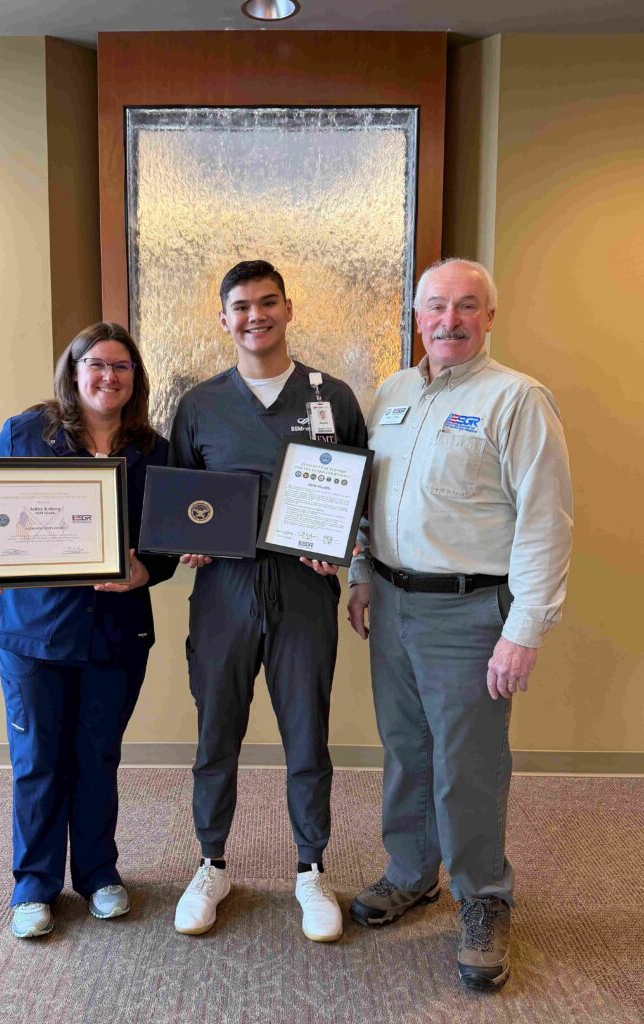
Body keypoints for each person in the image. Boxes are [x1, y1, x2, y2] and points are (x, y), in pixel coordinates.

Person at [347, 258, 572, 991]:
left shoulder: (517, 400)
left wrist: (524, 630)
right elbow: (367, 501)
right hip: (392, 601)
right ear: (418, 318)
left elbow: (545, 523)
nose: (450, 320)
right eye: (437, 306)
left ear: (489, 318)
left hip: (472, 612)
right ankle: (412, 874)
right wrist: (359, 575)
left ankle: (483, 896)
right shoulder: (392, 394)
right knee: (406, 751)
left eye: (468, 306)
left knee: (468, 765)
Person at [0, 322, 176, 939]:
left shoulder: (154, 450)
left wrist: (143, 572)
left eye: (122, 367)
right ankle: (34, 885)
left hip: (116, 634)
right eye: (97, 364)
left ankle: (100, 874)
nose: (109, 376)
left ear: (136, 378)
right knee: (38, 760)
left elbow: (171, 544)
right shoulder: (28, 432)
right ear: (73, 373)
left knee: (98, 757)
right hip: (33, 635)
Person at [168, 260, 367, 942]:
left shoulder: (331, 396)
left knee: (307, 732)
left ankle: (311, 869)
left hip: (304, 587)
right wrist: (186, 542)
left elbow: (360, 495)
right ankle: (212, 862)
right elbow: (179, 504)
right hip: (224, 589)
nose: (256, 315)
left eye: (268, 302)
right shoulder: (199, 405)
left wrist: (344, 550)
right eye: (241, 306)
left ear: (287, 309)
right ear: (224, 319)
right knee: (215, 730)